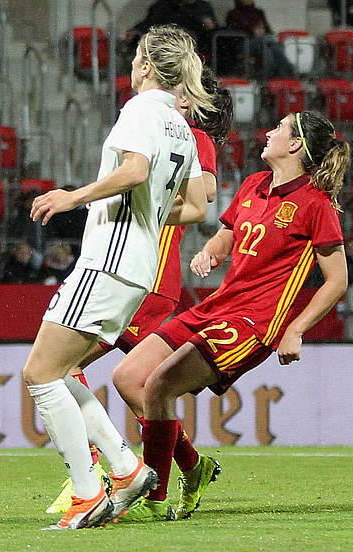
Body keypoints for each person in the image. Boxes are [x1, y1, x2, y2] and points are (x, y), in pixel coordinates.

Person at [112, 111, 347, 521]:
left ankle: (153, 500)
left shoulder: (316, 203)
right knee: (128, 378)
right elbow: (228, 234)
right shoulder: (255, 184)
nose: (269, 132)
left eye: (280, 128)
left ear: (295, 145)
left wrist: (295, 330)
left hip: (252, 323)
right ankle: (194, 466)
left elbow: (337, 280)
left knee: (159, 386)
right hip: (217, 306)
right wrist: (210, 252)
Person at [22, 24, 212, 530]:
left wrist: (72, 197)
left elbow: (132, 171)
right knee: (58, 371)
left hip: (108, 260)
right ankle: (126, 470)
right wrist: (148, 219)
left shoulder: (141, 109)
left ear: (146, 65)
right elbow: (196, 207)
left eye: (134, 58)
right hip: (139, 267)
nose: (131, 66)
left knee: (40, 373)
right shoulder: (181, 124)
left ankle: (88, 492)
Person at [223, 0, 293, 77]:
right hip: (243, 43)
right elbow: (234, 30)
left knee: (267, 48)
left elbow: (267, 29)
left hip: (261, 41)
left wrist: (263, 31)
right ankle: (288, 69)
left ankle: (268, 77)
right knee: (268, 41)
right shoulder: (233, 13)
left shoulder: (259, 12)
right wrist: (253, 32)